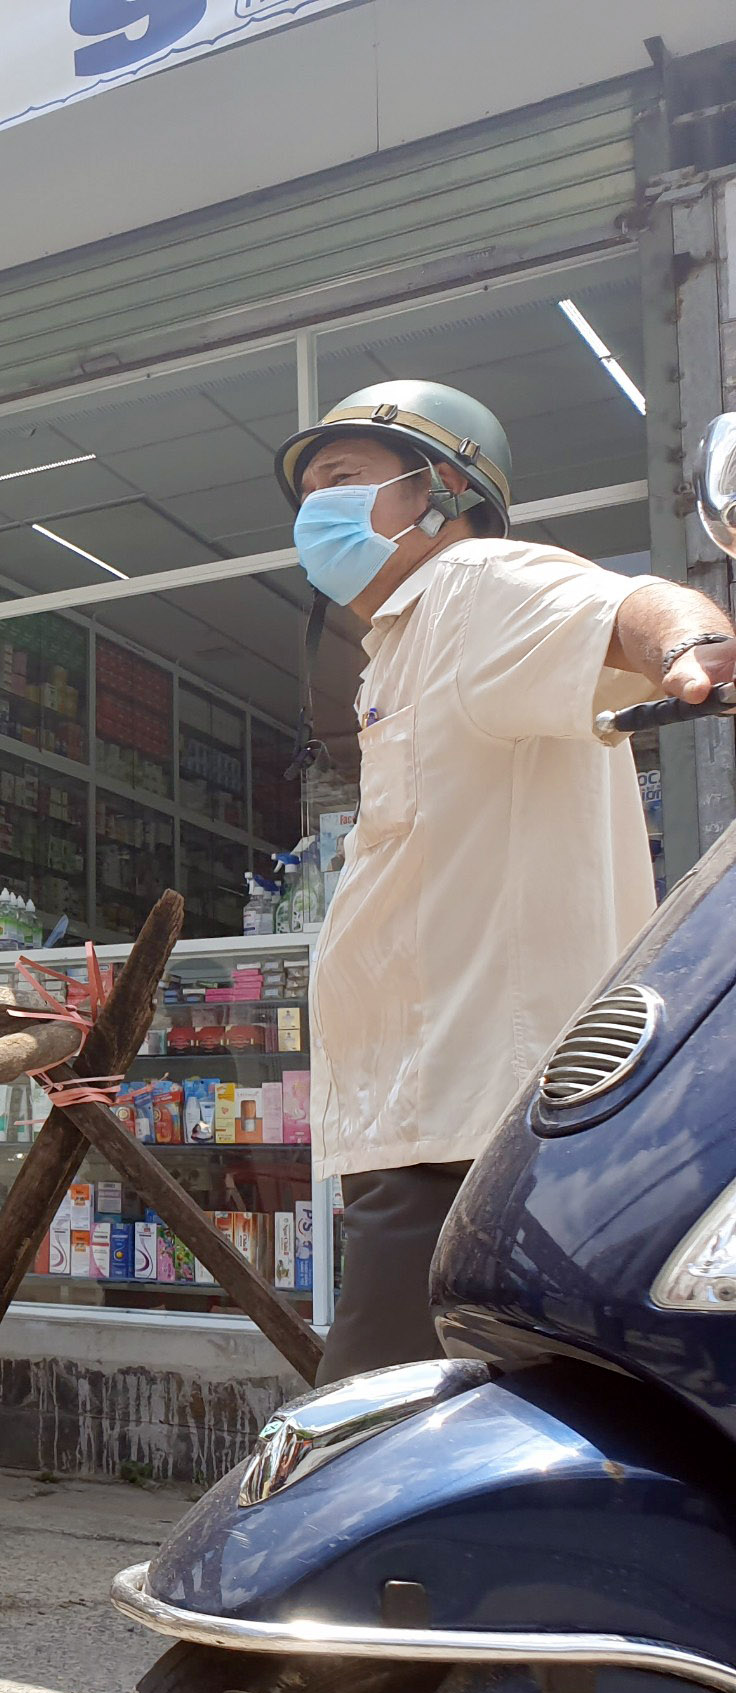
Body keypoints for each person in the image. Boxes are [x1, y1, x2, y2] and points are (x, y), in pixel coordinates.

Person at [274, 380, 736, 1382]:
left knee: (364, 1462)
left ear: (441, 489)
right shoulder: (396, 648)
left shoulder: (473, 583)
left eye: (343, 479)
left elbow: (624, 609)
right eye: (308, 491)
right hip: (433, 1124)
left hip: (471, 1129)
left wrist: (690, 648)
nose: (316, 509)